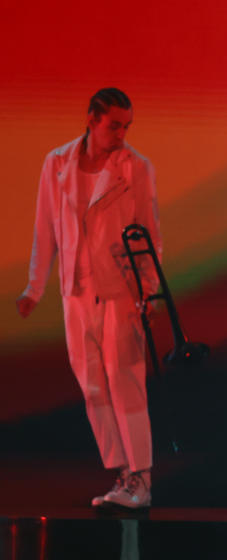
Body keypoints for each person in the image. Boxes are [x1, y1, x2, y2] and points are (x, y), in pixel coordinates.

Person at [16, 88, 161, 509]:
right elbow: (46, 228)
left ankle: (143, 479)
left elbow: (149, 232)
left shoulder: (136, 167)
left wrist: (148, 290)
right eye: (114, 124)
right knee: (93, 386)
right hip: (75, 292)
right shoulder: (57, 162)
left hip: (119, 290)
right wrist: (35, 288)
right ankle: (123, 475)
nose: (120, 133)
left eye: (125, 126)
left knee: (125, 382)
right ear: (92, 119)